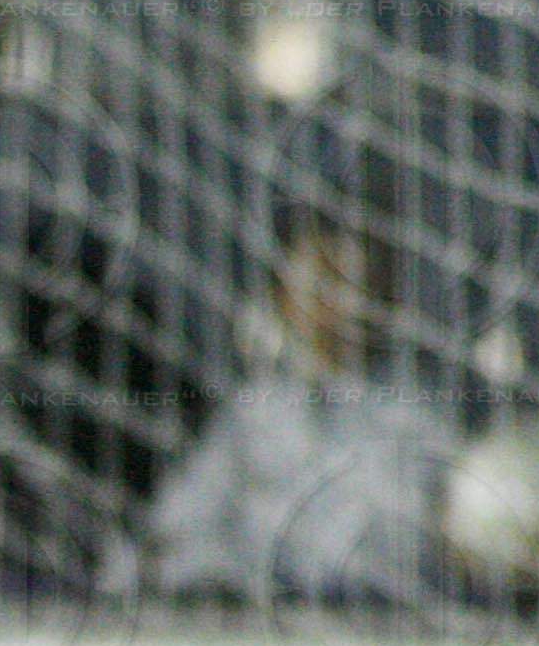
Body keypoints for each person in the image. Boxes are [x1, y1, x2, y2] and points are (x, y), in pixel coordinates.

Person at [146, 196, 454, 606]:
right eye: (312, 281)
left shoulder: (415, 411)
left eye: (344, 282)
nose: (327, 304)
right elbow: (185, 521)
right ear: (281, 294)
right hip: (255, 625)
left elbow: (404, 545)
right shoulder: (256, 407)